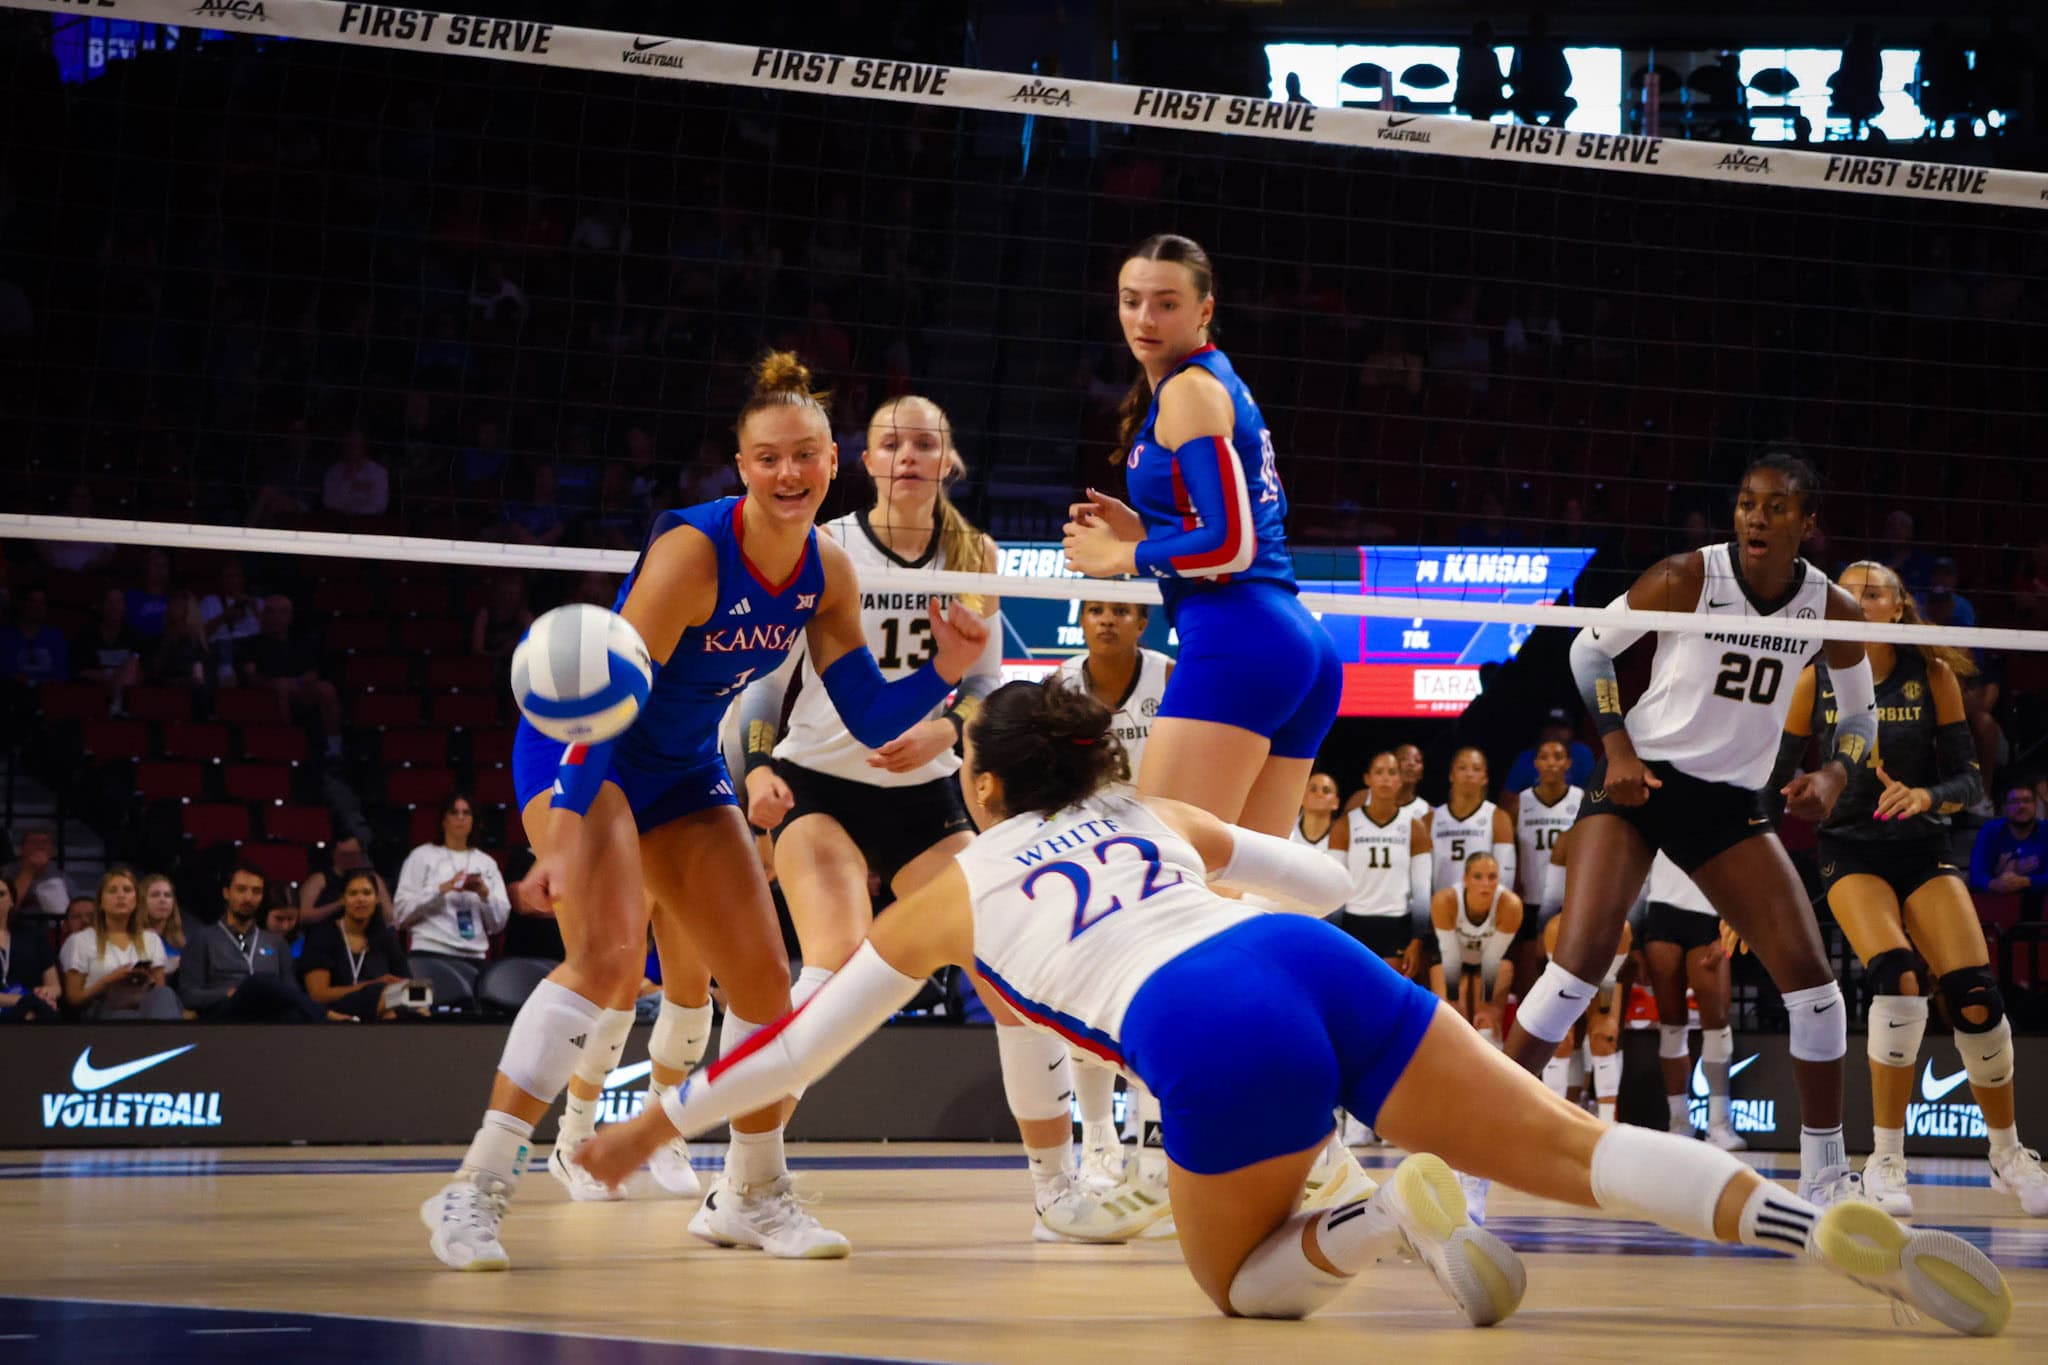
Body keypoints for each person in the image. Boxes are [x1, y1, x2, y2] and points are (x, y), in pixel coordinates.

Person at [571, 679, 2012, 1339]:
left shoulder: (943, 889)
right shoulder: (1162, 816)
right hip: (1299, 965)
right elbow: (1328, 873)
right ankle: (1816, 1227)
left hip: (1202, 1021)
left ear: (989, 791)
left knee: (1239, 1287)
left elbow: (807, 1042)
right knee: (1572, 1143)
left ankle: (1386, 1219)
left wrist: (661, 1124)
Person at [424, 351, 993, 1271]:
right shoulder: (692, 551)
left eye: (805, 455)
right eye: (768, 458)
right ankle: (474, 1189)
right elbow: (604, 702)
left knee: (767, 985)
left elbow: (870, 717)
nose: (789, 473)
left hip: (682, 767)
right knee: (608, 958)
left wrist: (943, 669)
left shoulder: (827, 571)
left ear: (832, 462)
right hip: (588, 749)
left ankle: (750, 1193)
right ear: (740, 467)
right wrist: (566, 832)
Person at [733, 392, 1099, 1230]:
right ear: (863, 461)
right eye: (890, 443)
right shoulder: (825, 549)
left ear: (948, 458)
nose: (905, 456)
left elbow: (983, 692)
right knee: (831, 961)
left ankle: (1058, 1190)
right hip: (817, 780)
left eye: (923, 443)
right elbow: (761, 681)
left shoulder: (974, 552)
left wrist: (942, 729)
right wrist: (756, 767)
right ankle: (746, 1182)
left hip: (924, 792)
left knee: (1013, 973)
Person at [1059, 232, 1359, 1204]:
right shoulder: (1192, 389)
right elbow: (1230, 532)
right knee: (1232, 913)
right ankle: (1314, 1149)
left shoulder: (1189, 388)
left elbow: (1225, 543)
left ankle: (1162, 1156)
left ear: (1202, 309)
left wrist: (1123, 562)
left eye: (1162, 301)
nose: (1142, 317)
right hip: (1289, 644)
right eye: (1128, 299)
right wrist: (1144, 534)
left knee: (1153, 900)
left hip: (1238, 642)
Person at [1507, 452, 1874, 1207]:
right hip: (1643, 782)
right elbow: (1588, 647)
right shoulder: (1686, 576)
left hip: (1729, 802)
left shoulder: (1831, 606)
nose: (1755, 518)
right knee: (1576, 969)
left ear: (1809, 524)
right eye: (1746, 503)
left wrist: (1834, 775)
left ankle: (1827, 1178)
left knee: (1817, 991)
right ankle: (1479, 1143)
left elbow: (1859, 718)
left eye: (1776, 507)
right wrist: (1615, 746)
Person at [1778, 562, 2045, 1216]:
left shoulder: (1933, 677)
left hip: (1923, 847)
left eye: (1874, 591)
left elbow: (1970, 784)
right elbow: (1774, 780)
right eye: (1851, 589)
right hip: (1850, 850)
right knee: (1898, 977)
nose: (1860, 598)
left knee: (1976, 995)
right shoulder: (1813, 681)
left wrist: (1927, 793)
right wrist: (1799, 794)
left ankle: (2008, 1153)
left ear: (1898, 609)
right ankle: (1886, 1159)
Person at [1639, 851, 1744, 1150]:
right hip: (1661, 909)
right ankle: (1679, 1121)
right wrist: (1635, 940)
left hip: (1712, 913)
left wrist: (1732, 920)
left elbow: (1744, 865)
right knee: (1671, 1020)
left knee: (1716, 1018)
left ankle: (1719, 1124)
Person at [178, 861, 326, 1021]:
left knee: (293, 1014)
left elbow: (291, 992)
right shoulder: (203, 939)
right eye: (241, 890)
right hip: (223, 1015)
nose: (248, 898)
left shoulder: (276, 943)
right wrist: (228, 993)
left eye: (256, 891)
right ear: (226, 893)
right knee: (257, 982)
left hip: (269, 1015)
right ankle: (325, 1015)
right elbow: (188, 995)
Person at [1505, 737, 1582, 1024]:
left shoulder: (1581, 800)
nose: (1551, 762)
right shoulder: (1519, 803)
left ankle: (1570, 1060)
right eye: (1545, 756)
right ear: (1535, 763)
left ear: (1568, 763)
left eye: (1558, 756)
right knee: (1529, 987)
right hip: (1529, 902)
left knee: (1569, 987)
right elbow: (1508, 854)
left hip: (1568, 904)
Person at [1335, 752, 1432, 971]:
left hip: (1396, 923)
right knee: (1353, 992)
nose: (1386, 779)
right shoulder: (1346, 825)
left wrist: (1417, 938)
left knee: (1389, 998)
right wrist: (1335, 929)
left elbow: (1422, 889)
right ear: (1367, 779)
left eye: (1392, 773)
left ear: (1400, 780)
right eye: (1379, 772)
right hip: (1353, 920)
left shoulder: (1415, 827)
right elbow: (1336, 881)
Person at [1054, 599, 1173, 778]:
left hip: (1156, 802)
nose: (1107, 620)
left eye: (1120, 611)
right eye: (1096, 610)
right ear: (1082, 622)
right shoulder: (1064, 679)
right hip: (1086, 803)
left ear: (1141, 625)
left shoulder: (1168, 674)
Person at [393, 794, 512, 967]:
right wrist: (442, 889)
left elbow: (498, 924)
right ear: (443, 820)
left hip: (475, 955)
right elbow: (400, 915)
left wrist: (484, 893)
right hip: (430, 951)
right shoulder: (422, 856)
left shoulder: (486, 862)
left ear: (474, 821)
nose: (461, 818)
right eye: (454, 812)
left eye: (466, 813)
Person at [59, 868, 179, 1020]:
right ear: (101, 902)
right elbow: (74, 999)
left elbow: (159, 989)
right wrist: (108, 981)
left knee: (165, 994)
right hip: (102, 1009)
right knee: (127, 1015)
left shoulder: (151, 939)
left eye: (127, 890)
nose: (121, 896)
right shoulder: (80, 940)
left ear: (136, 900)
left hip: (144, 1005)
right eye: (112, 891)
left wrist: (144, 980)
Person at [1431, 854, 1522, 1046]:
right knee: (1451, 1021)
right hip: (1452, 961)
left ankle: (1494, 1071)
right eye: (1478, 876)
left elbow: (1492, 957)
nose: (1486, 884)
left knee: (1487, 1022)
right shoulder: (1445, 901)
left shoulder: (1511, 905)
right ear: (1465, 879)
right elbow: (1449, 953)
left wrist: (1488, 1003)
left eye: (1492, 877)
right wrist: (1454, 997)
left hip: (1490, 962)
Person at [300, 870, 417, 1020]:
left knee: (418, 1005)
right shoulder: (322, 935)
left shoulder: (386, 937)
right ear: (343, 899)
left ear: (377, 899)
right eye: (353, 894)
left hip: (382, 1005)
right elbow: (318, 995)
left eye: (367, 893)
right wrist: (372, 986)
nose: (360, 899)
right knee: (388, 1001)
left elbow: (407, 984)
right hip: (337, 1009)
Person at [239, 594, 343, 759]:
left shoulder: (302, 643)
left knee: (326, 689)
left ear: (290, 617)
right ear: (263, 616)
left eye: (282, 612)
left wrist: (296, 683)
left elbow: (313, 674)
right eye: (271, 612)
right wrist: (277, 684)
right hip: (267, 694)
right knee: (281, 687)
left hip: (298, 692)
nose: (276, 617)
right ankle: (288, 744)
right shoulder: (250, 644)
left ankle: (334, 750)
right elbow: (251, 677)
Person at [1430, 747, 1516, 895]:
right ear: (1451, 775)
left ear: (1485, 778)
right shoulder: (1430, 819)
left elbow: (1505, 878)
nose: (1469, 774)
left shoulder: (1498, 817)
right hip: (1441, 906)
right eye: (1462, 768)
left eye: (1476, 769)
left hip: (1483, 908)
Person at [1969, 783, 2046, 921]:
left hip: (2040, 909)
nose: (2021, 806)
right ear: (2004, 807)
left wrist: (2026, 881)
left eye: (2027, 801)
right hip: (1997, 907)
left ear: (2035, 805)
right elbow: (1977, 874)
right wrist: (1993, 884)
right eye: (2014, 802)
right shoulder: (1990, 831)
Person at [0, 879, 62, 1021]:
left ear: (12, 901)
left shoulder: (35, 936)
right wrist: (27, 1000)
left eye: (1, 894)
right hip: (28, 1005)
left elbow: (55, 987)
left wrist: (46, 992)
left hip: (31, 1011)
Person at [299, 837, 395, 926]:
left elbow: (389, 915)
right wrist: (338, 904)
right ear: (334, 855)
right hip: (327, 934)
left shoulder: (372, 878)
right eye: (345, 854)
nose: (349, 859)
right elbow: (303, 916)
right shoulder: (319, 879)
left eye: (354, 854)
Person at [1501, 709, 1595, 793]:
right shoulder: (1525, 758)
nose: (1555, 732)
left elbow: (1591, 792)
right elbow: (1509, 796)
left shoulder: (1583, 753)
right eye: (1551, 727)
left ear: (1571, 731)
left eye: (1561, 727)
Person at [5, 825, 75, 920]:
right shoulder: (6, 872)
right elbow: (5, 910)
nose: (40, 846)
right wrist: (29, 871)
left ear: (52, 850)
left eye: (45, 842)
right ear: (21, 849)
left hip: (53, 930)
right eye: (33, 842)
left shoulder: (61, 877)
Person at [0, 586, 68, 683]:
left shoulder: (55, 637)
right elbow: (6, 672)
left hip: (49, 693)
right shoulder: (5, 637)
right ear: (21, 605)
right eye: (32, 601)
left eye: (42, 602)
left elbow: (60, 674)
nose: (38, 607)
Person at [138, 872, 187, 981]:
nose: (163, 900)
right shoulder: (133, 939)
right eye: (155, 895)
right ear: (141, 901)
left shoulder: (183, 943)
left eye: (167, 895)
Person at [1290, 772, 1343, 857]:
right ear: (1301, 797)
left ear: (1336, 803)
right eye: (1313, 789)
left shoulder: (1346, 837)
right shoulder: (1286, 830)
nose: (1319, 794)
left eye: (1326, 791)